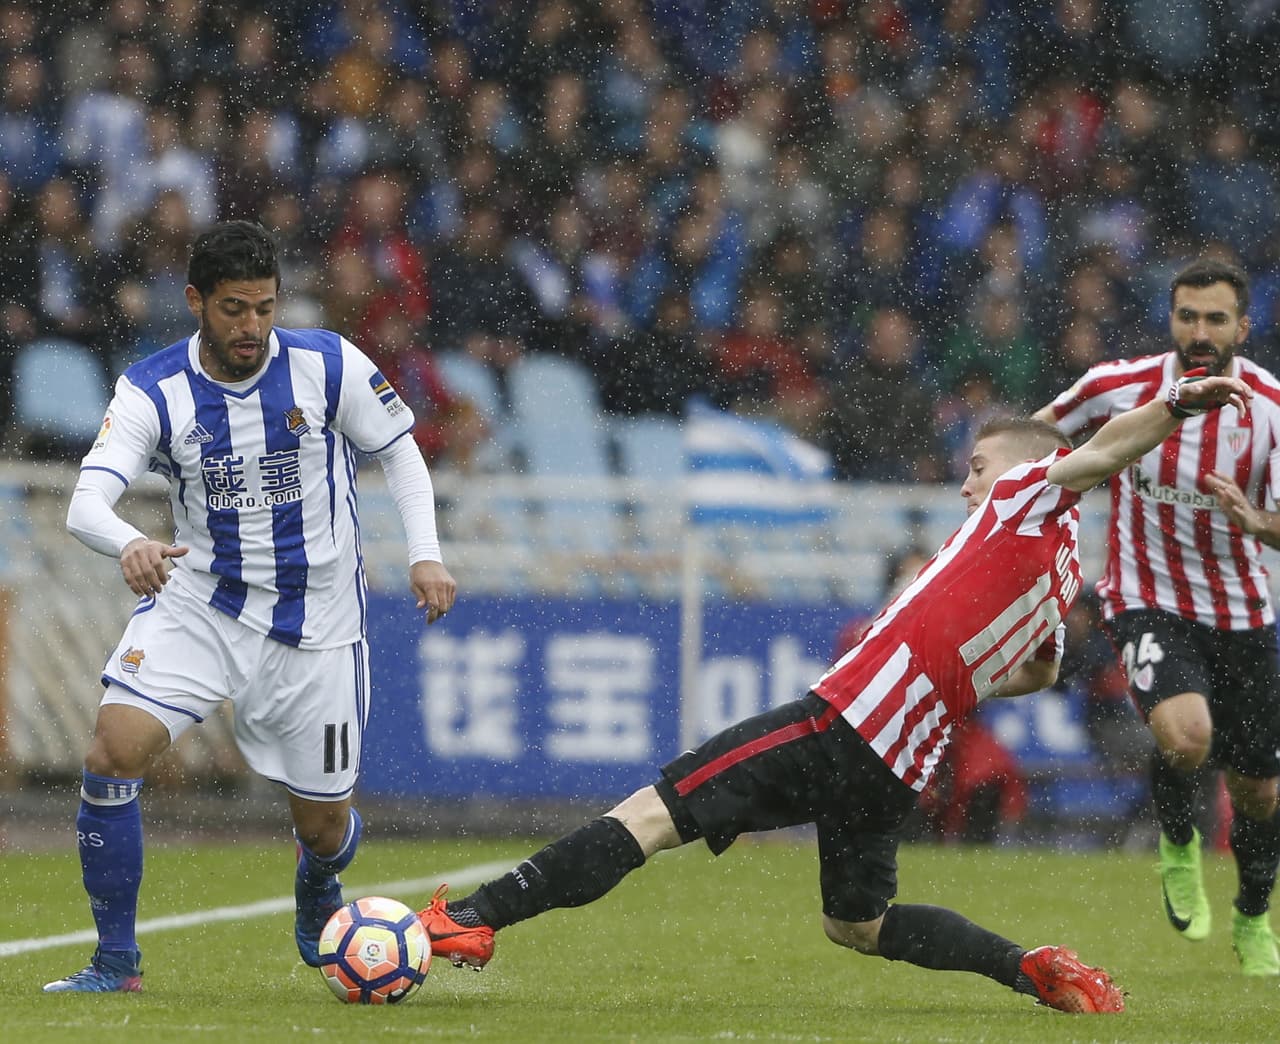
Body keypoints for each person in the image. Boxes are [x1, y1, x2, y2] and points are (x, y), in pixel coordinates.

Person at [414, 369, 1254, 1014]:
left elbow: (1108, 448)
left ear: (1028, 467)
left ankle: (476, 916)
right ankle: (1027, 968)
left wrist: (1177, 400)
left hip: (846, 722)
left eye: (977, 466)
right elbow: (1037, 668)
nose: (967, 485)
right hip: (901, 759)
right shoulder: (1062, 565)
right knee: (857, 925)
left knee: (650, 814)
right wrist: (952, 673)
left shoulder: (1023, 493)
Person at [43, 220, 457, 993]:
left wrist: (425, 551)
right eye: (234, 309)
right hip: (201, 603)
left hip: (319, 622)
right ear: (196, 301)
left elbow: (398, 448)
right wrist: (129, 541)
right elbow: (85, 503)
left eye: (265, 308)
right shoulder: (151, 387)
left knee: (324, 827)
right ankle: (115, 962)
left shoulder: (326, 364)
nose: (253, 327)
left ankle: (319, 876)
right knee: (111, 753)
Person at [1034, 258, 1280, 977]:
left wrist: (1257, 522)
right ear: (1170, 318)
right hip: (1146, 598)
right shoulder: (1120, 387)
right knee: (1187, 737)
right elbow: (1035, 437)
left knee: (1262, 791)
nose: (1199, 333)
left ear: (1243, 324)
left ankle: (1255, 913)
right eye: (1187, 317)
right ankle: (1179, 847)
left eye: (1215, 319)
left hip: (1242, 612)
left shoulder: (1269, 408)